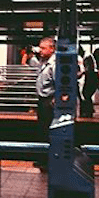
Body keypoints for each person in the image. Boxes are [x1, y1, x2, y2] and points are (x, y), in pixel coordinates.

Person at [35, 37, 56, 170]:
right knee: (42, 131)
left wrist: (55, 98)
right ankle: (43, 159)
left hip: (49, 102)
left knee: (48, 132)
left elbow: (60, 82)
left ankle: (49, 162)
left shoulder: (55, 64)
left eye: (43, 48)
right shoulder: (45, 62)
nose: (40, 50)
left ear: (52, 48)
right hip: (42, 101)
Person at [80, 46, 99, 118]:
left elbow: (88, 69)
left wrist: (81, 73)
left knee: (86, 94)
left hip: (91, 77)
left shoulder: (87, 56)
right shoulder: (89, 55)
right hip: (92, 76)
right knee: (87, 94)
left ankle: (88, 111)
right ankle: (89, 111)